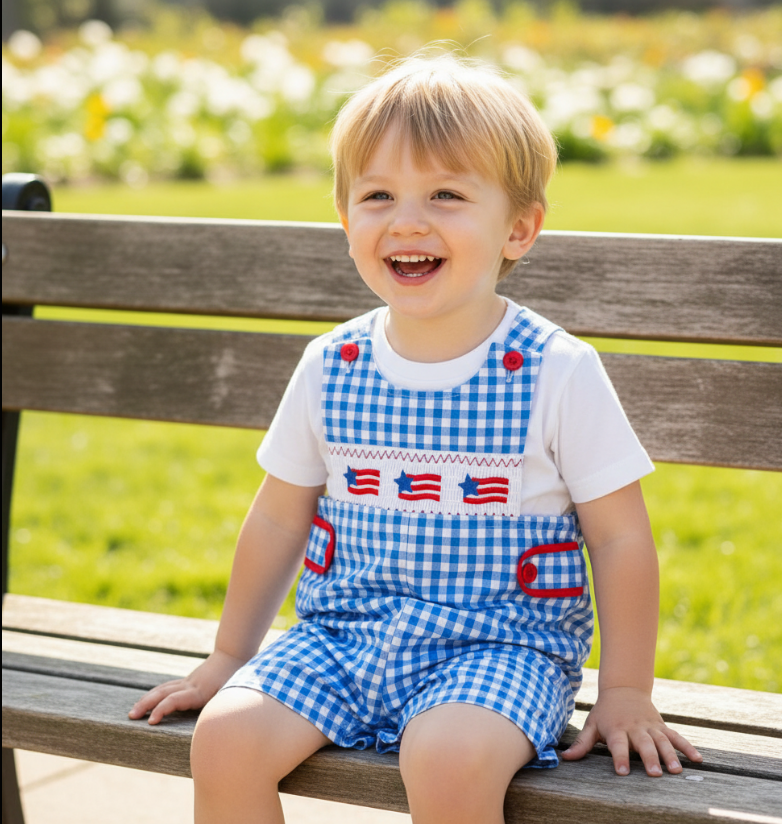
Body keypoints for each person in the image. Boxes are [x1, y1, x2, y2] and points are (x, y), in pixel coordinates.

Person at [129, 52, 702, 824]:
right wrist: (232, 656)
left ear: (520, 228)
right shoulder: (334, 363)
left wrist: (627, 691)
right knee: (225, 740)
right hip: (343, 636)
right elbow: (276, 516)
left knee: (445, 758)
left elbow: (622, 538)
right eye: (377, 195)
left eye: (446, 194)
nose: (406, 220)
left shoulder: (553, 371)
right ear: (345, 220)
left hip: (500, 650)